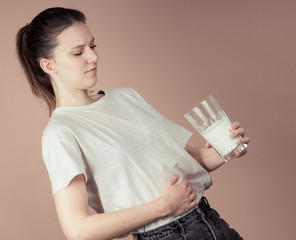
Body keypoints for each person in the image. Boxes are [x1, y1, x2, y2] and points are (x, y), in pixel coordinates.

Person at [16, 7, 250, 240]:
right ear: (49, 66)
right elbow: (79, 230)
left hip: (210, 221)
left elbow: (184, 162)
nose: (93, 56)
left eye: (93, 46)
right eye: (78, 52)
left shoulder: (126, 97)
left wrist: (224, 150)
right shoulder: (61, 132)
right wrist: (163, 207)